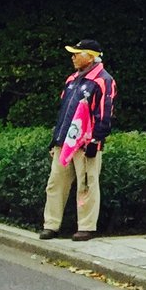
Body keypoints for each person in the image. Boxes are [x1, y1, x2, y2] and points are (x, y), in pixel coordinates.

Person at [40, 38, 117, 242]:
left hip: (85, 144)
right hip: (64, 142)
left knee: (87, 185)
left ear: (90, 56)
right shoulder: (71, 80)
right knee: (55, 183)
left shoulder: (103, 80)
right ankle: (51, 224)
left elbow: (105, 114)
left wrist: (95, 141)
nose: (73, 57)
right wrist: (55, 139)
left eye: (77, 53)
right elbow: (63, 112)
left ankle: (86, 227)